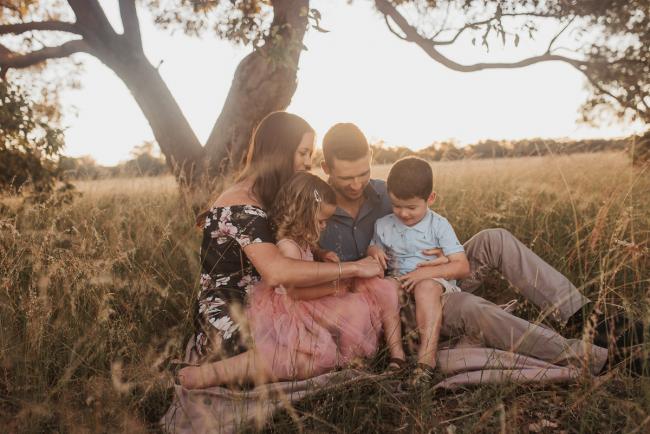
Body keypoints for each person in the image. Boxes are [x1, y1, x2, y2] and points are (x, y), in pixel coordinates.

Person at [318, 123, 609, 378]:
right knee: (470, 307)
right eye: (347, 178)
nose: (357, 184)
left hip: (434, 274)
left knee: (494, 238)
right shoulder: (314, 211)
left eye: (364, 173)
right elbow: (315, 279)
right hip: (397, 301)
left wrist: (442, 259)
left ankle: (585, 318)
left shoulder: (387, 191)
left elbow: (426, 225)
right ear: (326, 168)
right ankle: (586, 356)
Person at [177, 112, 382, 389]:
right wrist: (354, 268)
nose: (308, 162)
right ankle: (209, 375)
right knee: (309, 355)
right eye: (303, 152)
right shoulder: (240, 204)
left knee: (340, 332)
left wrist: (320, 254)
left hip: (276, 304)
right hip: (233, 310)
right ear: (280, 151)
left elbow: (289, 242)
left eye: (310, 153)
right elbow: (276, 272)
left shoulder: (271, 194)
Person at [248, 171, 405, 381]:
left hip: (312, 298)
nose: (324, 226)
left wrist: (322, 253)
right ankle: (350, 360)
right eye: (321, 221)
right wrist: (334, 288)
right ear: (302, 215)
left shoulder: (300, 238)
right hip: (297, 307)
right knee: (354, 309)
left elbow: (310, 249)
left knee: (370, 292)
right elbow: (294, 292)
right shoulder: (288, 247)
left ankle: (386, 354)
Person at [367, 157, 469, 380]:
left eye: (411, 207)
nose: (403, 214)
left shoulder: (438, 225)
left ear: (430, 198)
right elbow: (375, 245)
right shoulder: (383, 225)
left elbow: (462, 266)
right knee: (385, 287)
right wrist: (373, 251)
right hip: (399, 280)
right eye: (396, 206)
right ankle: (397, 356)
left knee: (425, 288)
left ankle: (426, 357)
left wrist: (425, 273)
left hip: (432, 282)